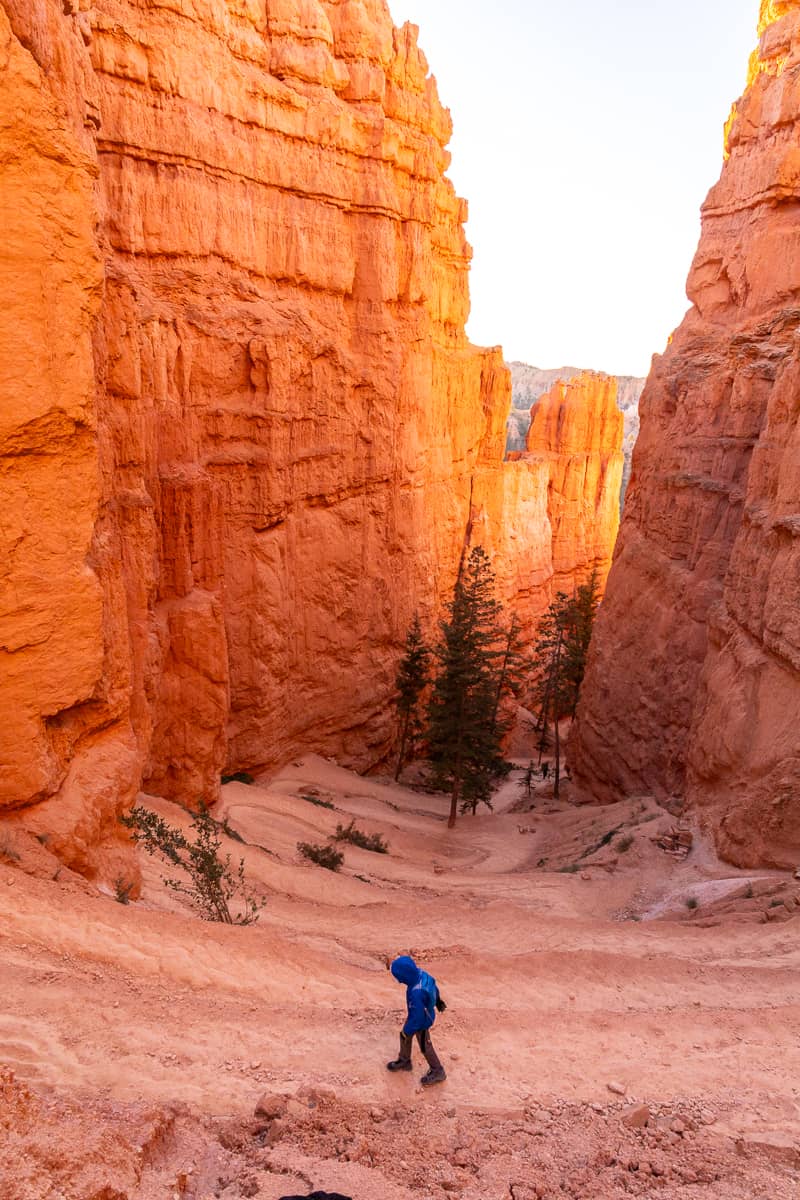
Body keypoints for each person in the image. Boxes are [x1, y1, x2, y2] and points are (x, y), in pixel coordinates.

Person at [386, 955, 447, 1086]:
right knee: (404, 1037)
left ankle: (438, 1071)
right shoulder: (422, 974)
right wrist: (438, 1001)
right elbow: (433, 987)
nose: (398, 981)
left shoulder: (416, 992)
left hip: (422, 1021)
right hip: (421, 1013)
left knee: (425, 1046)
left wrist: (408, 1030)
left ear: (405, 976)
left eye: (399, 977)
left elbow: (417, 1017)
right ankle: (404, 1060)